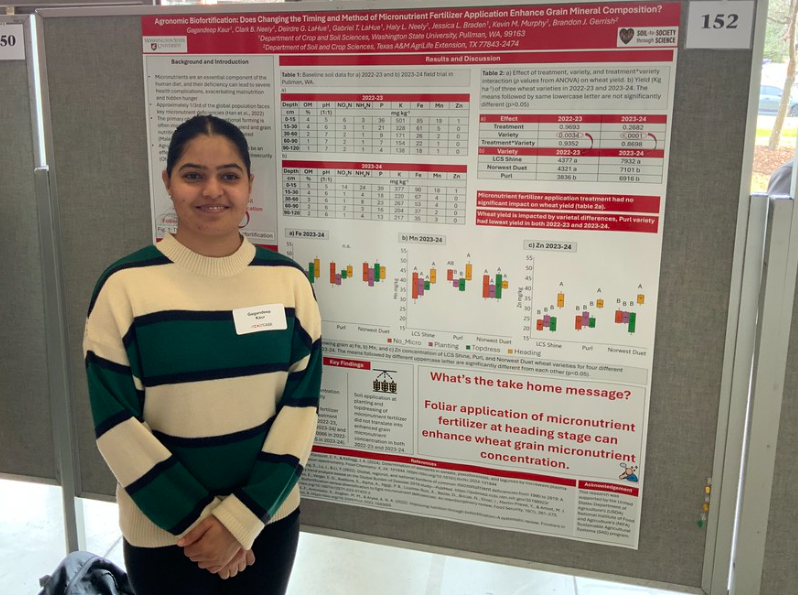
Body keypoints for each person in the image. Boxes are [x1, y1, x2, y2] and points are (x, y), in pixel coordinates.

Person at [83, 115, 322, 594]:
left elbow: (301, 408)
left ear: (249, 186)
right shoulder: (124, 287)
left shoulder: (288, 282)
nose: (212, 190)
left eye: (229, 176)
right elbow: (116, 424)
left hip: (266, 523)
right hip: (164, 534)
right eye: (193, 175)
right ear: (169, 182)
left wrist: (241, 520)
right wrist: (201, 527)